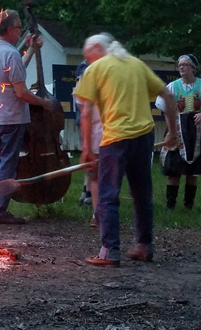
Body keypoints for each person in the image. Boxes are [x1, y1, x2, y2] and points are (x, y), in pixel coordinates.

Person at [74, 33, 178, 267]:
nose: (87, 61)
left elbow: (86, 111)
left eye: (87, 55)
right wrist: (172, 131)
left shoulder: (97, 69)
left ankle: (109, 251)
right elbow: (168, 95)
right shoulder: (137, 64)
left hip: (115, 139)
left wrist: (86, 149)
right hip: (144, 137)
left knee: (108, 194)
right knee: (142, 193)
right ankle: (144, 246)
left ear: (99, 48)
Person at [0, 9, 52, 224]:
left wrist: (29, 50)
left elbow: (15, 72)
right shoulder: (10, 54)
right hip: (13, 119)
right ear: (9, 29)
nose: (20, 31)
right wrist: (44, 103)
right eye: (18, 27)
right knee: (7, 166)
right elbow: (21, 92)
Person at [155, 54, 201, 211]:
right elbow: (165, 110)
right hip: (177, 129)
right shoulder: (172, 87)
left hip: (196, 132)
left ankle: (188, 205)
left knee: (193, 171)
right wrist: (171, 131)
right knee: (174, 168)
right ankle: (170, 205)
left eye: (185, 64)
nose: (181, 67)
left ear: (193, 67)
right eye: (179, 65)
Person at [74, 59, 103, 227]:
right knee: (96, 171)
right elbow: (82, 105)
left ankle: (98, 210)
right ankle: (97, 212)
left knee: (103, 173)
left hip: (112, 129)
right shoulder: (85, 69)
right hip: (95, 128)